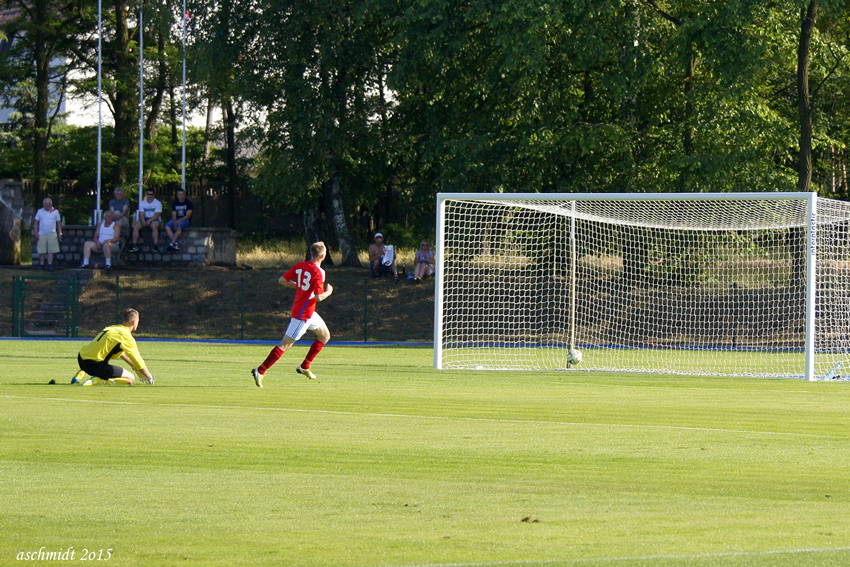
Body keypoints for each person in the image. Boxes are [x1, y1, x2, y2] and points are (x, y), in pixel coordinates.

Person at [250, 241, 334, 387]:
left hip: (308, 311)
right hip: (303, 314)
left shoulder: (300, 266)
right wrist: (330, 291)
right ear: (322, 255)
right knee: (285, 345)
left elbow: (281, 280)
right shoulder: (319, 272)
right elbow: (319, 297)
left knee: (324, 336)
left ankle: (305, 366)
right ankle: (260, 370)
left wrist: (298, 286)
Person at [70, 308, 155, 386]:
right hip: (94, 365)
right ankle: (99, 380)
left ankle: (77, 377)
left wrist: (135, 368)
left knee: (96, 359)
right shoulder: (125, 335)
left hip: (81, 359)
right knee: (130, 378)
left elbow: (121, 353)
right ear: (134, 322)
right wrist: (148, 375)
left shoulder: (112, 328)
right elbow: (137, 358)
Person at [33, 197, 62, 271]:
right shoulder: (39, 211)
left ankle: (50, 265)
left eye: (48, 204)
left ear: (51, 204)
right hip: (41, 234)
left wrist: (60, 233)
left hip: (52, 233)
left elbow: (58, 223)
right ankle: (41, 264)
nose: (47, 205)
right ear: (43, 204)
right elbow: (36, 223)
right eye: (45, 204)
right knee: (41, 251)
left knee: (51, 251)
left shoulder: (55, 211)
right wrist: (36, 232)